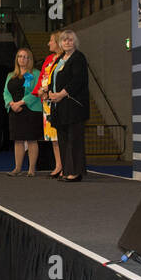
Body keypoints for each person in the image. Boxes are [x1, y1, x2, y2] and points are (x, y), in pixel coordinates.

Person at [46, 30, 89, 182]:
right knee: (63, 139)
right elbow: (53, 78)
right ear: (61, 43)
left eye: (70, 40)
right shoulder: (59, 60)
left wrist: (61, 94)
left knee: (74, 139)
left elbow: (78, 80)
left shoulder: (78, 58)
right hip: (59, 107)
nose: (67, 42)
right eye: (64, 40)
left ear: (75, 42)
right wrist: (50, 92)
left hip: (74, 107)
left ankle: (75, 172)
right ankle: (66, 170)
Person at [4, 47, 43, 176]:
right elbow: (6, 92)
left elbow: (36, 91)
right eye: (20, 56)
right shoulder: (11, 75)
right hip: (15, 110)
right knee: (18, 140)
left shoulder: (35, 73)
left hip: (30, 110)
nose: (22, 59)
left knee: (32, 140)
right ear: (17, 59)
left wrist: (21, 103)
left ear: (30, 59)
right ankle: (17, 168)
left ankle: (31, 169)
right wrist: (11, 104)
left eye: (25, 57)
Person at [36, 31, 64, 178]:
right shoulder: (48, 58)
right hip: (46, 102)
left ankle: (66, 165)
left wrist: (50, 91)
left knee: (61, 137)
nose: (48, 43)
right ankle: (58, 164)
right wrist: (40, 91)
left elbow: (60, 79)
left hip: (57, 100)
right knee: (52, 138)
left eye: (51, 41)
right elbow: (42, 77)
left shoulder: (63, 58)